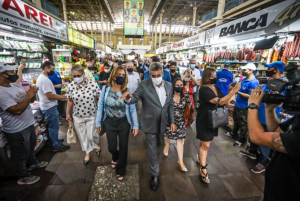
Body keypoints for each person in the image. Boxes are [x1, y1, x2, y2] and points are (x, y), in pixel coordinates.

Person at [121, 62, 175, 191]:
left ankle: (156, 166)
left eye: (158, 75)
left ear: (162, 74)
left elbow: (170, 105)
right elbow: (134, 99)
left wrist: (172, 121)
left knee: (160, 145)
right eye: (153, 75)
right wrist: (127, 98)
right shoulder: (144, 85)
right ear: (149, 75)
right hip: (149, 122)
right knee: (151, 149)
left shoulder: (169, 85)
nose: (156, 77)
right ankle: (154, 174)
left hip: (163, 122)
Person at [247, 85, 300, 200]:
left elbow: (257, 137)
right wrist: (269, 109)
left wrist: (252, 106)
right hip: (275, 188)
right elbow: (276, 130)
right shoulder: (298, 118)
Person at [0, 62, 48, 185]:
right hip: (16, 129)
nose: (16, 74)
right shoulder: (1, 93)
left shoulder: (15, 86)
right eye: (13, 72)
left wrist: (32, 93)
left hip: (28, 123)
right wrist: (28, 96)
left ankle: (33, 163)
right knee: (20, 154)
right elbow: (17, 110)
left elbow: (28, 99)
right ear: (3, 75)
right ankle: (23, 176)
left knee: (30, 147)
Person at [239, 61, 285, 174]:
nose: (267, 70)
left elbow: (280, 103)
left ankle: (264, 162)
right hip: (259, 114)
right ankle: (252, 152)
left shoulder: (283, 85)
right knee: (253, 134)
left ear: (277, 70)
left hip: (269, 118)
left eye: (271, 68)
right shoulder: (268, 83)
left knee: (264, 139)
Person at [196, 68, 241, 184]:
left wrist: (230, 91)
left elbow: (224, 100)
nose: (215, 77)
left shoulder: (216, 88)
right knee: (206, 144)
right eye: (213, 76)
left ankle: (200, 156)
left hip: (213, 119)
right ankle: (203, 169)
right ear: (207, 77)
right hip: (204, 119)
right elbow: (219, 102)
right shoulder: (204, 90)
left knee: (205, 142)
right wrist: (234, 92)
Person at [96, 66, 139, 181]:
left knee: (124, 147)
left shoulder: (126, 91)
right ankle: (115, 156)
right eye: (119, 74)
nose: (121, 77)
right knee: (111, 147)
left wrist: (135, 125)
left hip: (124, 122)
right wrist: (98, 122)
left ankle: (121, 170)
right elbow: (100, 106)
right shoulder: (105, 89)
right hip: (109, 122)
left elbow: (132, 109)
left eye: (123, 75)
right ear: (113, 76)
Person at [66, 65, 101, 165]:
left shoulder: (93, 84)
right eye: (74, 76)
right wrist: (68, 113)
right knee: (83, 137)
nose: (76, 77)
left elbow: (99, 97)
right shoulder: (71, 86)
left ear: (83, 74)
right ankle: (87, 153)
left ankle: (96, 145)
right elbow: (70, 101)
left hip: (92, 114)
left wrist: (101, 112)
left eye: (78, 75)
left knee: (92, 135)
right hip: (78, 115)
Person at [36, 61, 70, 152]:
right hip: (49, 106)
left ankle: (55, 140)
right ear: (46, 68)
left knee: (52, 126)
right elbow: (49, 95)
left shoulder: (43, 78)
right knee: (53, 126)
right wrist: (63, 97)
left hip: (48, 105)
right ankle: (56, 145)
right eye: (52, 69)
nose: (54, 71)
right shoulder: (45, 80)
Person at [163, 77, 193, 172]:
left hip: (181, 121)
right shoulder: (168, 95)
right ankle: (166, 145)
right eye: (177, 85)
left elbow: (190, 107)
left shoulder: (185, 96)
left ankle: (181, 161)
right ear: (173, 86)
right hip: (168, 120)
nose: (179, 87)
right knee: (167, 135)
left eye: (181, 85)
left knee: (180, 141)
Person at [227, 63, 259, 147]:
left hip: (245, 107)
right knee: (236, 121)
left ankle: (241, 140)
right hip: (238, 104)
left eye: (245, 70)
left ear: (251, 71)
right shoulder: (244, 79)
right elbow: (238, 87)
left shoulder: (253, 82)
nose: (243, 71)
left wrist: (238, 92)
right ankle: (233, 133)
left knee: (243, 124)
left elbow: (251, 96)